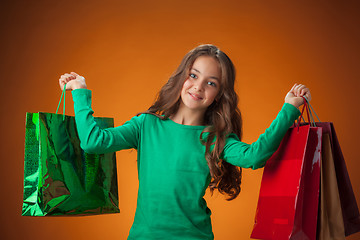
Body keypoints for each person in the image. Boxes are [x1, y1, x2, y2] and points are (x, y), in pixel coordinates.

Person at [59, 44, 311, 240]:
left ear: (218, 95)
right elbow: (93, 142)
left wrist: (289, 109)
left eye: (211, 83)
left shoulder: (216, 138)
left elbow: (255, 156)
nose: (198, 86)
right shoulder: (146, 125)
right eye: (193, 75)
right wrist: (80, 91)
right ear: (182, 77)